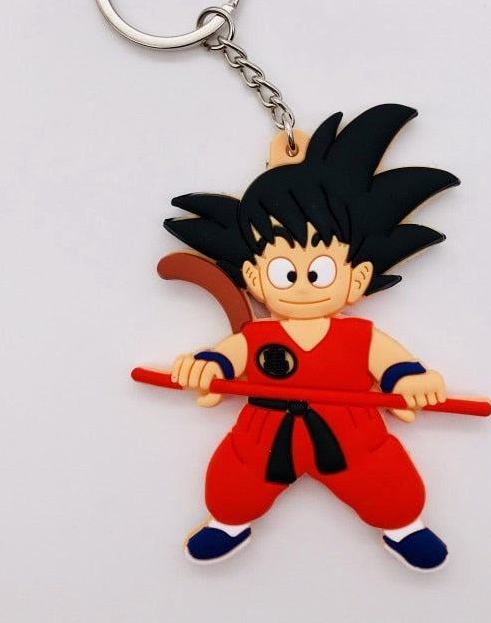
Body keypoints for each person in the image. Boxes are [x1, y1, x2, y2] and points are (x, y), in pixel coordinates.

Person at [165, 104, 458, 570]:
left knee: (386, 480)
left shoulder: (359, 334)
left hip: (352, 433)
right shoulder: (259, 334)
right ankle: (227, 523)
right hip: (263, 433)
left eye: (319, 271)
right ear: (254, 278)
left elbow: (394, 366)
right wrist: (203, 367)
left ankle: (404, 526)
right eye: (284, 271)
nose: (301, 284)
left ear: (357, 278)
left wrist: (411, 382)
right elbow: (224, 359)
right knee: (234, 479)